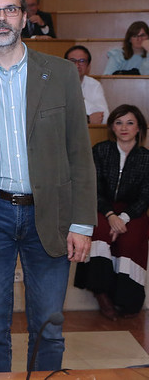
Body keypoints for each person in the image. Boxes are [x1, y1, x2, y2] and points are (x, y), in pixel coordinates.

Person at [0, 0, 96, 374]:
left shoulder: (62, 73)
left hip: (51, 215)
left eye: (9, 9)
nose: (1, 19)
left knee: (49, 326)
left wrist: (82, 223)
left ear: (25, 17)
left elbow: (79, 155)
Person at [74, 105, 149, 319]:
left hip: (132, 212)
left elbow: (145, 196)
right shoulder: (100, 150)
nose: (124, 127)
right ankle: (102, 294)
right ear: (112, 127)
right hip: (102, 207)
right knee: (98, 233)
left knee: (130, 241)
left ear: (139, 128)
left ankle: (126, 299)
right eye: (118, 122)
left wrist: (123, 218)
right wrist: (110, 216)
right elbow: (92, 187)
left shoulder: (146, 157)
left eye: (130, 123)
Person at [65, 45, 109, 125]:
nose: (77, 65)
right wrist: (87, 119)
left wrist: (79, 98)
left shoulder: (94, 85)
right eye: (72, 61)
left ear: (88, 65)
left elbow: (104, 118)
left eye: (82, 61)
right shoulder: (56, 84)